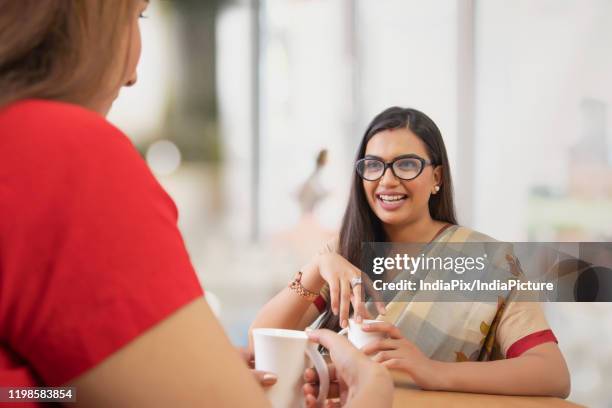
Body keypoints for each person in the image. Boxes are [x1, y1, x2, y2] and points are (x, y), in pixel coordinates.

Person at [0, 1, 392, 406]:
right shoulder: (64, 155)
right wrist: (371, 397)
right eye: (136, 17)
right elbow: (263, 338)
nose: (133, 73)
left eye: (406, 165)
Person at [252, 107, 571, 398]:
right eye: (374, 165)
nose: (387, 181)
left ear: (437, 177)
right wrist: (317, 266)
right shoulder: (344, 254)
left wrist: (433, 372)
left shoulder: (487, 260)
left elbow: (552, 372)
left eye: (406, 164)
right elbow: (259, 344)